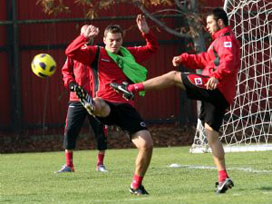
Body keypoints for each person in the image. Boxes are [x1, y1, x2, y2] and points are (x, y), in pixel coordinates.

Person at [111, 8, 241, 194]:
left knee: (173, 77)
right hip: (220, 94)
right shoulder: (219, 41)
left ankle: (131, 88)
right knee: (211, 135)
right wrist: (185, 58)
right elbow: (205, 59)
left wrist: (218, 76)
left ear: (220, 22)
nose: (207, 26)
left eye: (210, 23)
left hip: (215, 87)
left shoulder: (225, 39)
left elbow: (228, 61)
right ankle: (223, 177)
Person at [65, 14, 159, 195]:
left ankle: (136, 185)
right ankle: (89, 103)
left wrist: (147, 33)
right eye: (111, 40)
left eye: (118, 40)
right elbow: (70, 52)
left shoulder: (128, 54)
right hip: (105, 103)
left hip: (126, 107)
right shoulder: (96, 53)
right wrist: (83, 37)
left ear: (122, 40)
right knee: (99, 104)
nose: (114, 44)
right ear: (104, 40)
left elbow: (153, 48)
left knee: (147, 145)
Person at [56, 26, 109, 173]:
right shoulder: (73, 53)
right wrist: (71, 83)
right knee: (70, 129)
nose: (89, 36)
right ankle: (69, 165)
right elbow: (66, 72)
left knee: (100, 130)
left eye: (91, 34)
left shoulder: (99, 52)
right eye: (86, 33)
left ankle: (100, 164)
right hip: (77, 98)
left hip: (97, 97)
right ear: (81, 34)